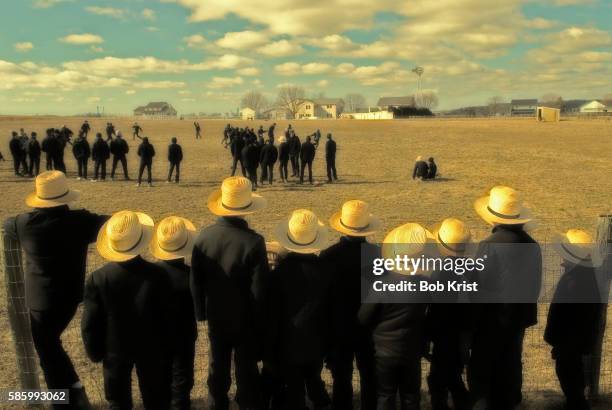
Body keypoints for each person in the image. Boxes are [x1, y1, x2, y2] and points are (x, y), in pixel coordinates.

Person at [3, 171, 108, 408]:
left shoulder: (23, 224)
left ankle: (65, 399)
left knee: (47, 351)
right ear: (65, 196)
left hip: (40, 301)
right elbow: (111, 223)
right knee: (50, 347)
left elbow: (7, 223)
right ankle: (70, 396)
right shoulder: (81, 221)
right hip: (69, 298)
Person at [190, 176, 270, 410]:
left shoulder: (203, 238)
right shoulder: (254, 242)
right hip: (245, 317)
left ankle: (217, 402)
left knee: (218, 363)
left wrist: (200, 312)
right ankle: (247, 402)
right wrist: (260, 320)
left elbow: (195, 280)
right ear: (247, 208)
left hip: (216, 313)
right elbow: (259, 289)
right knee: (246, 366)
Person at [82, 210, 172, 409]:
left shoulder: (99, 278)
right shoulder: (158, 275)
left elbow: (90, 322)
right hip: (152, 346)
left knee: (117, 400)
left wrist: (94, 351)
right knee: (156, 398)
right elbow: (167, 316)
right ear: (141, 240)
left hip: (114, 348)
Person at [468, 186, 542, 409]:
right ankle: (509, 401)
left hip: (490, 319)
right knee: (511, 362)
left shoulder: (488, 246)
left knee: (483, 367)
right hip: (518, 318)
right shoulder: (533, 246)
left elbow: (478, 287)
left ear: (494, 219)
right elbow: (535, 284)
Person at [359, 222, 433, 409]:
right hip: (412, 350)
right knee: (411, 397)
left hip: (384, 352)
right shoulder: (425, 286)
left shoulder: (381, 286)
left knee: (385, 395)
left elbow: (363, 318)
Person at [321, 200, 382, 410]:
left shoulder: (329, 256)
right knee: (369, 376)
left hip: (339, 327)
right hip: (370, 328)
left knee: (341, 378)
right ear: (366, 228)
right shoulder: (377, 255)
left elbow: (325, 299)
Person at [269, 209, 332, 409]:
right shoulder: (325, 269)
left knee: (294, 385)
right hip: (317, 338)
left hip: (288, 339)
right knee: (313, 374)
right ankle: (321, 401)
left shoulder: (280, 272)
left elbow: (273, 308)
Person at [545, 229, 604, 410]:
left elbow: (561, 314)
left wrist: (554, 338)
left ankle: (576, 404)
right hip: (578, 340)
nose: (561, 259)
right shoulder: (588, 277)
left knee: (568, 375)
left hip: (568, 341)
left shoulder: (572, 282)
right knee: (574, 375)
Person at [150, 216, 198, 410]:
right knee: (182, 377)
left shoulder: (150, 274)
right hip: (184, 334)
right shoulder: (190, 275)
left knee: (160, 376)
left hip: (156, 335)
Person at [427, 218, 473, 410]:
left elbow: (435, 308)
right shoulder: (470, 269)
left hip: (444, 334)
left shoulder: (440, 272)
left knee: (439, 380)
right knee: (453, 375)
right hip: (463, 331)